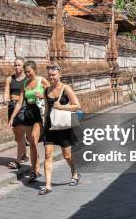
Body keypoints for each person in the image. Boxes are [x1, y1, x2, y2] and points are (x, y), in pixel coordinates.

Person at [39, 63, 81, 195]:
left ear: (59, 75)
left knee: (67, 155)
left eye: (53, 75)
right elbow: (46, 109)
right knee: (48, 154)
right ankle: (48, 185)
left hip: (64, 126)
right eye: (49, 75)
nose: (51, 77)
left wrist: (61, 107)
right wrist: (44, 124)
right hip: (50, 126)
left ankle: (74, 172)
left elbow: (77, 105)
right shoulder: (46, 91)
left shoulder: (66, 88)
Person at [8, 61, 50, 183]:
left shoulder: (42, 80)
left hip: (40, 112)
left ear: (34, 70)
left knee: (33, 138)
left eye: (29, 71)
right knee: (31, 143)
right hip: (28, 112)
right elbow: (20, 102)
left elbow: (52, 95)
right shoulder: (25, 83)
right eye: (25, 72)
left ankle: (35, 169)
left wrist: (42, 95)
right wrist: (12, 118)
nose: (27, 74)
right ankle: (34, 169)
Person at [4, 58, 28, 169]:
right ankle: (24, 154)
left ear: (23, 66)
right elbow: (6, 92)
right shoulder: (10, 79)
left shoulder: (27, 79)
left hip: (22, 106)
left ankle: (18, 160)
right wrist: (5, 98)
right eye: (15, 65)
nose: (17, 67)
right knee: (17, 135)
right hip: (12, 106)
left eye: (19, 65)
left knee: (20, 133)